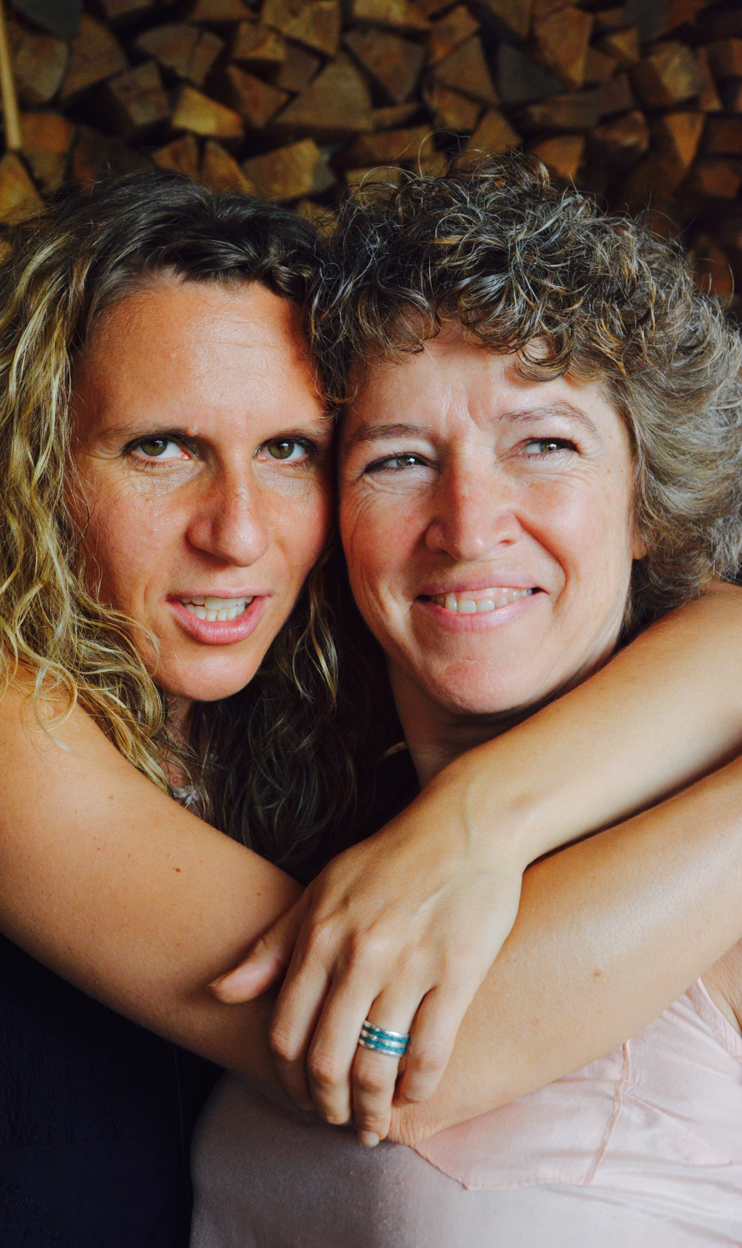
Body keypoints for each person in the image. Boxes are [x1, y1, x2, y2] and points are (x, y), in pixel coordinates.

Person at [0, 167, 742, 1244]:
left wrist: (477, 817)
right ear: (32, 465)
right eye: (160, 447)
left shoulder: (306, 746)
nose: (238, 532)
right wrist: (467, 825)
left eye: (288, 450)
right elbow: (403, 1059)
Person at [190, 155, 742, 1246]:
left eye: (544, 443)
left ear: (646, 505)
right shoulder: (308, 838)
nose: (468, 524)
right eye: (397, 460)